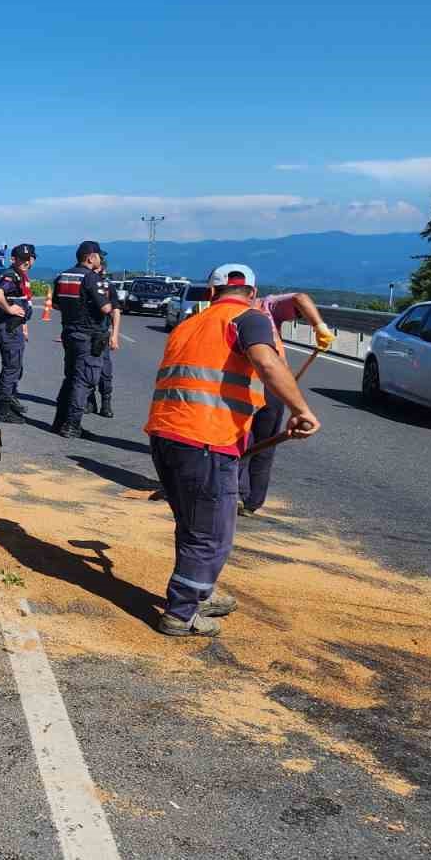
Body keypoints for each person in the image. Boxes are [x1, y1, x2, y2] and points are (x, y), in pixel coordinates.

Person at [144, 264, 321, 637]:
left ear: (211, 294)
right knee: (212, 534)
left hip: (166, 435)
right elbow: (266, 360)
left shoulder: (189, 324)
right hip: (206, 441)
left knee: (193, 525)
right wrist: (301, 410)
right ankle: (181, 612)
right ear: (253, 294)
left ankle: (198, 593)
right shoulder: (249, 319)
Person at [238, 291, 336, 516]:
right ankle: (249, 500)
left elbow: (300, 298)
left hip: (250, 385)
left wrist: (319, 326)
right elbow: (299, 298)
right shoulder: (266, 307)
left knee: (242, 439)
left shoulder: (249, 309)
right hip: (273, 385)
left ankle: (241, 496)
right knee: (262, 442)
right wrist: (319, 326)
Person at [50, 241, 119, 438]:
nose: (100, 259)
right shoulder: (90, 278)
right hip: (88, 335)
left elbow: (55, 305)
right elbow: (106, 308)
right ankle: (72, 425)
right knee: (85, 380)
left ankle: (59, 421)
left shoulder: (63, 276)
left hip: (69, 332)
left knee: (71, 377)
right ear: (90, 257)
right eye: (98, 255)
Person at [0, 244, 37, 424]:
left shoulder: (21, 276)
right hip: (8, 327)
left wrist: (23, 325)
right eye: (23, 259)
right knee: (11, 366)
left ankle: (9, 398)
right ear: (13, 259)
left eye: (30, 258)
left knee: (16, 366)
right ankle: (2, 407)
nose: (27, 262)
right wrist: (9, 309)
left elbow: (23, 302)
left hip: (15, 327)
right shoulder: (11, 275)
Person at [86, 251, 117, 418]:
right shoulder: (85, 282)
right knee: (86, 369)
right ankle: (89, 401)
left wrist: (115, 334)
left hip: (102, 333)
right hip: (86, 332)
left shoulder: (107, 286)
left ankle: (106, 402)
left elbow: (115, 310)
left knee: (105, 371)